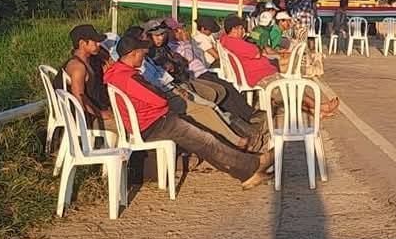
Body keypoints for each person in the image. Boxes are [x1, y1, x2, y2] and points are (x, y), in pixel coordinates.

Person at [104, 35, 272, 190]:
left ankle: (246, 173)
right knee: (206, 140)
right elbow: (160, 101)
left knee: (204, 143)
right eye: (141, 51)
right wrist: (163, 100)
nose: (144, 54)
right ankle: (254, 164)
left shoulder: (118, 73)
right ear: (132, 53)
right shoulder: (129, 78)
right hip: (155, 124)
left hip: (152, 122)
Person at [122, 25, 254, 149]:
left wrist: (175, 86)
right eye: (148, 37)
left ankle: (235, 133)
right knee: (206, 107)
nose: (154, 39)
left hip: (177, 85)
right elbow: (155, 89)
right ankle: (234, 140)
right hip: (169, 96)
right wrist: (174, 89)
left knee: (216, 97)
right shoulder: (141, 64)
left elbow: (170, 72)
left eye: (162, 34)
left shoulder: (149, 57)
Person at [221, 14, 340, 117]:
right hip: (258, 77)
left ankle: (315, 110)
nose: (243, 31)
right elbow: (256, 52)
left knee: (290, 90)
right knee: (292, 87)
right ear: (235, 29)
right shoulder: (234, 42)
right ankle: (320, 107)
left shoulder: (226, 40)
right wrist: (256, 47)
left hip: (259, 73)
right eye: (241, 28)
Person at [59, 24, 116, 133]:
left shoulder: (90, 60)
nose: (99, 44)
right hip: (90, 118)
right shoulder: (78, 68)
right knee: (129, 126)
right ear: (82, 44)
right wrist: (101, 114)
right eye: (94, 42)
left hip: (97, 110)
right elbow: (79, 97)